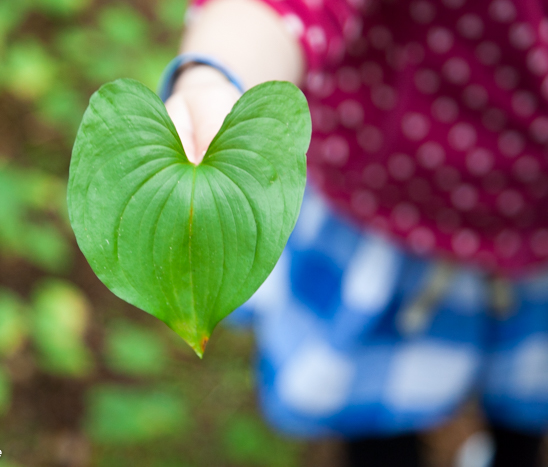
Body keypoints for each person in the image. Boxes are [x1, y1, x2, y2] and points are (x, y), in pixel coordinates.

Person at [159, 0, 548, 466]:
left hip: (539, 240)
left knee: (527, 406)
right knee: (376, 421)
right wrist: (216, 78)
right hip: (384, 222)